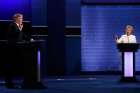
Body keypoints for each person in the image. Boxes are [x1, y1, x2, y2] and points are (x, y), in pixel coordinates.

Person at [5, 13, 25, 88]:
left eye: (22, 18)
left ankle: (11, 83)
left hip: (17, 49)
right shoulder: (12, 25)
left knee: (14, 66)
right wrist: (20, 29)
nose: (22, 20)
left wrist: (30, 39)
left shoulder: (18, 26)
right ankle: (9, 83)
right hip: (12, 49)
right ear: (16, 19)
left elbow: (21, 36)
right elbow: (14, 35)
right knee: (11, 66)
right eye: (21, 18)